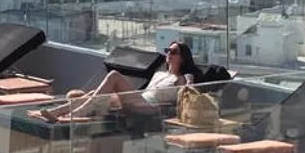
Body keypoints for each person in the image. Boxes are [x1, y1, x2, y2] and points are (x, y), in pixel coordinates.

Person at [39, 40, 202, 121]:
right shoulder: (160, 74)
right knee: (92, 94)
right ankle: (57, 112)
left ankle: (76, 115)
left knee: (114, 76)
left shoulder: (180, 79)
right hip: (140, 98)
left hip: (151, 107)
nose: (169, 54)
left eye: (173, 52)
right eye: (168, 50)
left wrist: (189, 79)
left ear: (182, 58)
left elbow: (188, 96)